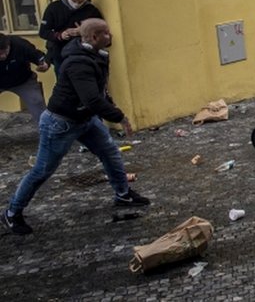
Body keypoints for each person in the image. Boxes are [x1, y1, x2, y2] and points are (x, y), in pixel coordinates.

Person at [3, 19, 150, 236]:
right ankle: (12, 212)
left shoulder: (97, 55)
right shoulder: (79, 63)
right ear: (93, 38)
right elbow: (91, 98)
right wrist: (119, 117)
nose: (110, 36)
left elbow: (99, 90)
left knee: (109, 153)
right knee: (42, 170)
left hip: (85, 118)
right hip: (60, 123)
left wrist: (109, 103)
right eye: (106, 34)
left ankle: (123, 194)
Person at [39, 0, 104, 74]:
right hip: (60, 53)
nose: (77, 4)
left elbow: (102, 31)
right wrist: (60, 35)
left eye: (81, 2)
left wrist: (84, 31)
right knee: (64, 84)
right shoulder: (54, 8)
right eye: (74, 1)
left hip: (84, 54)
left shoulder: (91, 10)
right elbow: (43, 32)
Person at [0, 33, 49, 122]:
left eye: (4, 52)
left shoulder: (19, 44)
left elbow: (38, 55)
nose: (2, 56)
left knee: (36, 101)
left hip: (23, 80)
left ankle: (47, 131)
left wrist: (43, 63)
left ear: (8, 45)